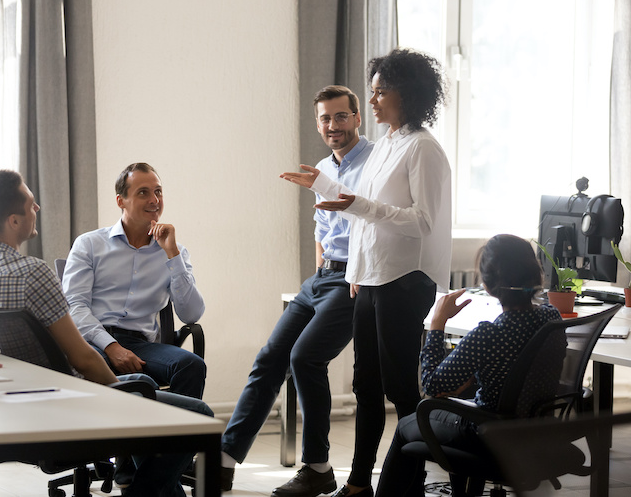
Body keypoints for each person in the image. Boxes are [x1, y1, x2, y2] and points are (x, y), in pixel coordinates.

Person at [0, 169, 213, 497]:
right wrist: (126, 394)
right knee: (198, 415)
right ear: (14, 221)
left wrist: (172, 255)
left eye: (158, 191)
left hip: (13, 411)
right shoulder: (35, 271)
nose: (38, 209)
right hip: (69, 402)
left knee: (181, 374)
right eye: (31, 204)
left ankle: (150, 481)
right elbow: (83, 357)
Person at [281, 48, 452, 497]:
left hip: (405, 280)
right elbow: (359, 212)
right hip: (370, 278)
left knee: (400, 389)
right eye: (371, 92)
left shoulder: (423, 148)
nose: (372, 102)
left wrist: (356, 205)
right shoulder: (388, 144)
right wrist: (324, 188)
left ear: (406, 93)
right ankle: (359, 483)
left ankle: (409, 482)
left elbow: (422, 221)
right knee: (365, 386)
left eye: (379, 93)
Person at [220, 85, 374, 496]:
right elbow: (322, 229)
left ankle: (317, 468)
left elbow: (374, 223)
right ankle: (225, 460)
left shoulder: (376, 163)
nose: (333, 125)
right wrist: (319, 266)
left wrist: (353, 269)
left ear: (357, 118)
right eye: (325, 118)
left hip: (354, 280)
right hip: (322, 278)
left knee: (305, 358)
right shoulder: (322, 167)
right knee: (270, 358)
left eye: (341, 116)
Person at [375, 234, 562, 496]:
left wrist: (437, 323)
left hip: (487, 434)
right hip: (535, 431)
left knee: (408, 423)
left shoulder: (488, 335)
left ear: (487, 285)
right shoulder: (551, 316)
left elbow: (432, 386)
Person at [62, 162, 206, 399]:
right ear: (121, 201)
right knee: (141, 382)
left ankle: (174, 435)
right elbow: (75, 307)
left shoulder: (174, 251)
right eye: (143, 193)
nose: (154, 200)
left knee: (192, 366)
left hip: (141, 345)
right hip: (92, 341)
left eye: (158, 191)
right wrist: (111, 346)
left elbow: (191, 315)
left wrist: (173, 256)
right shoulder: (89, 244)